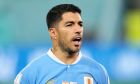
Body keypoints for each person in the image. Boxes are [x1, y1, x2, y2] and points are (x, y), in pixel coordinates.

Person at [14, 4, 110, 84]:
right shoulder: (31, 74)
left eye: (80, 24)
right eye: (69, 25)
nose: (78, 30)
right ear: (53, 33)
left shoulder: (98, 71)